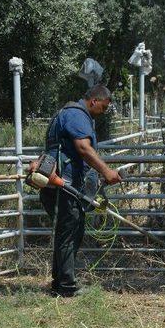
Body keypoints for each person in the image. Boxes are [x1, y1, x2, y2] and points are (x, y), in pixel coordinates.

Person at [39, 85, 122, 296]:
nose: (102, 113)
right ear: (94, 101)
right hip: (64, 185)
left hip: (59, 183)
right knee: (70, 233)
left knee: (67, 232)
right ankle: (66, 287)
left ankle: (60, 283)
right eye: (103, 108)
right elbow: (83, 148)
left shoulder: (67, 113)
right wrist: (106, 171)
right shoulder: (77, 115)